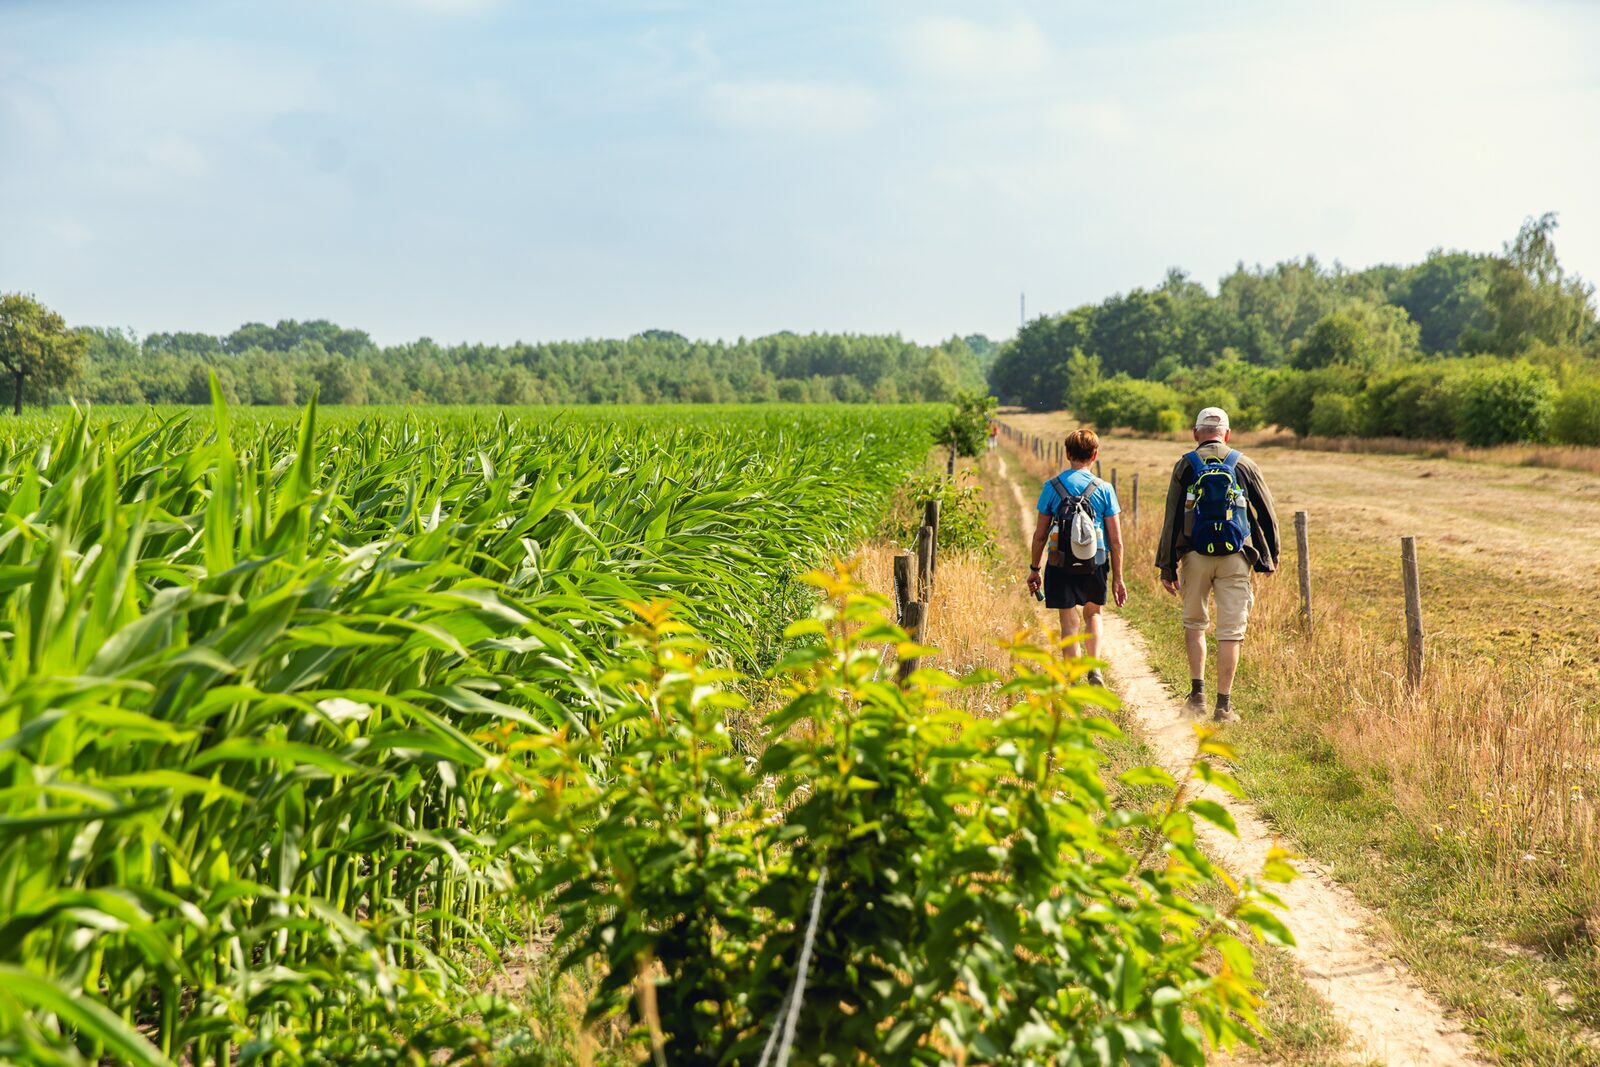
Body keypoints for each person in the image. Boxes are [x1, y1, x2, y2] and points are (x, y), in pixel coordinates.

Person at [1156, 407, 1280, 722]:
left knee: (1195, 623)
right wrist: (1270, 556)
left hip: (1195, 555)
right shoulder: (1245, 464)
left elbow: (1172, 518)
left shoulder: (1186, 464)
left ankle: (1197, 696)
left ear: (1196, 433)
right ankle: (1223, 706)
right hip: (1236, 556)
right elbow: (1266, 512)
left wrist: (1167, 566)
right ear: (1227, 434)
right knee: (1230, 631)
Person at [1027, 428, 1127, 685]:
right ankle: (1094, 670)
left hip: (1059, 562)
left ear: (1068, 453)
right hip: (1096, 561)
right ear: (1094, 455)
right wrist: (1118, 578)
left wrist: (1034, 568)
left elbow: (1039, 535)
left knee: (1068, 621)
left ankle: (1072, 678)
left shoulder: (1052, 487)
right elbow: (1116, 541)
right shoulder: (1104, 489)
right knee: (1093, 614)